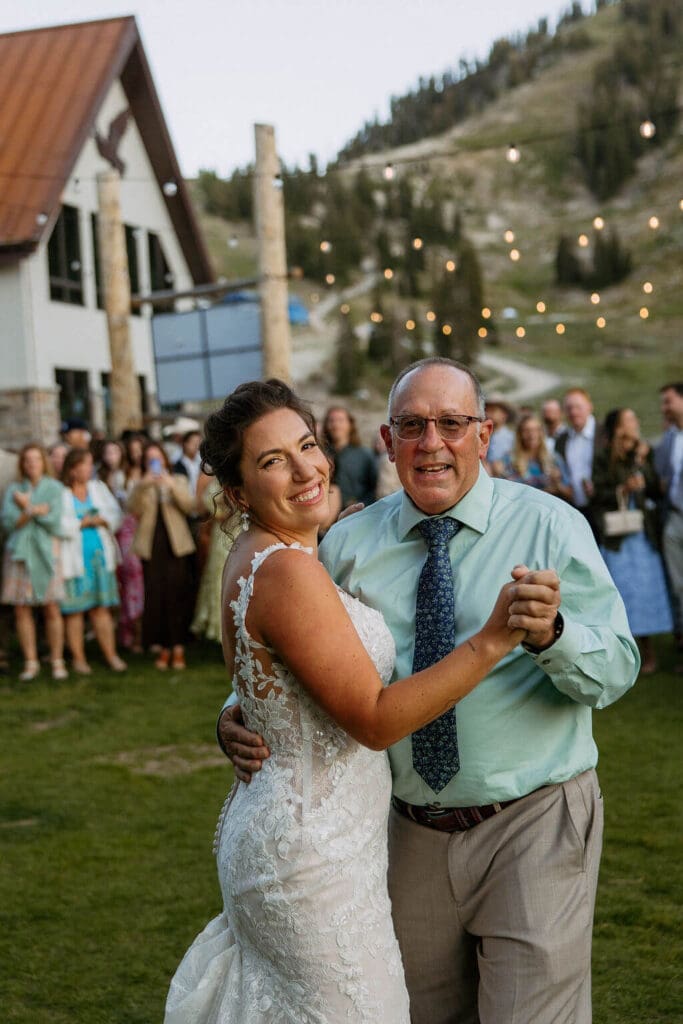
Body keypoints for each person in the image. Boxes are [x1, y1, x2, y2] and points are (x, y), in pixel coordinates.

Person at [222, 359, 639, 1024]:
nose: (431, 442)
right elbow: (299, 653)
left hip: (533, 818)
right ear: (387, 443)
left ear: (484, 435)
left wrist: (551, 634)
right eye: (411, 426)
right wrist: (236, 715)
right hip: (404, 831)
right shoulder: (348, 544)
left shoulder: (549, 526)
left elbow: (616, 670)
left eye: (451, 423)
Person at [165, 378, 538, 1023]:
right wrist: (491, 642)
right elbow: (371, 718)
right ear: (237, 492)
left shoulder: (264, 554)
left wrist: (237, 712)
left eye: (307, 445)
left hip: (299, 825)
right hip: (313, 854)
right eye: (272, 460)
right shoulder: (286, 570)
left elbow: (275, 674)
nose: (306, 468)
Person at [590, 409, 672, 675]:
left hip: (642, 533)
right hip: (618, 537)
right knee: (621, 593)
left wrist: (642, 472)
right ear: (617, 427)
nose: (635, 423)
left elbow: (652, 488)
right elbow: (598, 491)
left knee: (645, 592)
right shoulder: (603, 457)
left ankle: (647, 651)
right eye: (630, 420)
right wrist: (622, 490)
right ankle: (620, 653)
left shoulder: (640, 452)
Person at [1, 444, 67, 681]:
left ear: (43, 462)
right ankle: (31, 661)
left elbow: (54, 519)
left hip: (46, 551)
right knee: (21, 607)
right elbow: (8, 523)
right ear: (22, 464)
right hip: (19, 552)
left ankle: (57, 659)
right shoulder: (14, 489)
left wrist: (26, 508)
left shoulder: (54, 488)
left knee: (51, 606)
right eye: (27, 460)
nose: (31, 464)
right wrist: (32, 510)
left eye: (36, 459)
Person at [128, 442, 196, 670]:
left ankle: (178, 647)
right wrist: (143, 485)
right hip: (151, 545)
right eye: (150, 459)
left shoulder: (178, 480)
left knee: (177, 594)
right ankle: (164, 646)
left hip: (175, 544)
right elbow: (132, 509)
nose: (154, 463)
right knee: (157, 595)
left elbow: (190, 506)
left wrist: (170, 486)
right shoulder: (140, 484)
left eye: (157, 458)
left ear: (165, 460)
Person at [60, 449, 126, 674]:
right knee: (75, 610)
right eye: (85, 464)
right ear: (73, 468)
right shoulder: (62, 494)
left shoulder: (98, 489)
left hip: (100, 558)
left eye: (90, 464)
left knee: (101, 608)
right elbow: (57, 524)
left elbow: (116, 515)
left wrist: (103, 520)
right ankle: (79, 659)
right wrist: (81, 523)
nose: (89, 468)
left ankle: (111, 655)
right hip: (75, 560)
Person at [654, 382, 683, 671]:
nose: (664, 408)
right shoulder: (670, 438)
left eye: (668, 401)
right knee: (678, 585)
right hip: (674, 517)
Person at [493, 412, 572, 500]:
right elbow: (503, 496)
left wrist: (558, 484)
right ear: (519, 434)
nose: (532, 435)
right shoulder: (509, 461)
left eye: (536, 430)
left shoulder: (554, 459)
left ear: (541, 432)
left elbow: (570, 494)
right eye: (526, 431)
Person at [555, 388, 600, 532]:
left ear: (589, 407)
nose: (573, 412)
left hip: (603, 509)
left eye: (578, 407)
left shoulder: (605, 434)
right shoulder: (562, 439)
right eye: (569, 408)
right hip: (575, 510)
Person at [322, 405, 377, 508]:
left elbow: (375, 488)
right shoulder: (320, 455)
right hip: (325, 516)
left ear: (350, 424)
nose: (336, 425)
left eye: (340, 420)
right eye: (331, 421)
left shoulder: (365, 455)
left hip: (356, 515)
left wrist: (360, 504)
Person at [483, 394, 514, 465]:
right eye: (486, 410)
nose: (488, 414)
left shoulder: (512, 439)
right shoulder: (481, 437)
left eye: (493, 410)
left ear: (504, 415)